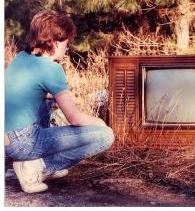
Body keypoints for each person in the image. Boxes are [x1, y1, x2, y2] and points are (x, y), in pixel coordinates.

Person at [5, 10, 115, 193]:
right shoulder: (52, 69)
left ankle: (27, 162)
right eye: (66, 44)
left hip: (6, 140)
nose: (67, 48)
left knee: (47, 98)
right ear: (55, 43)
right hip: (23, 143)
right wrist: (101, 124)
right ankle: (37, 166)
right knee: (105, 136)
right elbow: (75, 118)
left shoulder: (21, 58)